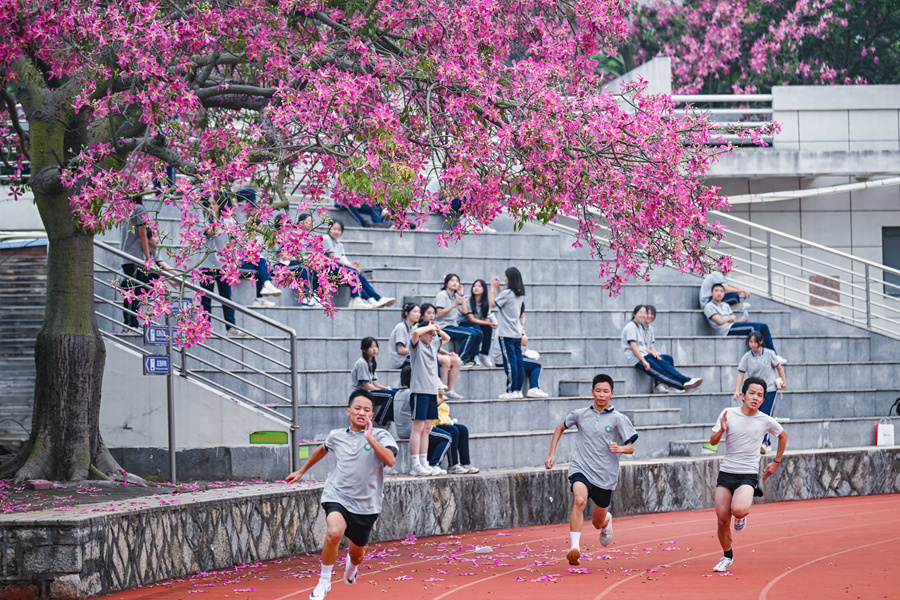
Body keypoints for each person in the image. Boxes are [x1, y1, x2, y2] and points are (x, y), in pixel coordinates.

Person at [285, 389, 398, 600]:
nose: (361, 412)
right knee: (335, 532)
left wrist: (370, 438)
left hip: (366, 505)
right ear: (348, 411)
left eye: (367, 409)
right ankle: (324, 581)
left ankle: (351, 567)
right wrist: (301, 471)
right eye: (357, 408)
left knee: (357, 555)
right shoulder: (336, 436)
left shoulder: (382, 435)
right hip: (337, 495)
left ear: (372, 415)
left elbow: (390, 461)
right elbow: (322, 449)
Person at [545, 374, 637, 566]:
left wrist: (619, 448)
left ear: (612, 394)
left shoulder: (619, 419)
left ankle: (606, 521)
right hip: (582, 467)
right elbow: (559, 429)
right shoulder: (580, 414)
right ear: (592, 392)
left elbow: (631, 447)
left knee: (597, 522)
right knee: (579, 500)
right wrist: (552, 454)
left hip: (605, 476)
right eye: (598, 391)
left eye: (605, 392)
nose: (601, 395)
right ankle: (575, 548)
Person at [709, 377, 788, 573]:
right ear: (743, 396)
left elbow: (783, 435)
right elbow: (712, 441)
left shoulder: (765, 420)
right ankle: (727, 556)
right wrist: (722, 431)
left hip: (747, 474)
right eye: (752, 393)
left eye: (760, 395)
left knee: (739, 510)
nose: (755, 397)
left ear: (763, 400)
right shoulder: (728, 414)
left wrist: (776, 462)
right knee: (721, 520)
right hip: (727, 472)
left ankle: (742, 514)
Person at [624, 305, 702, 393]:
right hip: (637, 358)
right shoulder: (631, 327)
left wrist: (653, 353)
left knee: (665, 361)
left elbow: (644, 347)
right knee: (661, 373)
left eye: (645, 313)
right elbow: (633, 347)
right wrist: (644, 361)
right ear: (634, 314)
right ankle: (683, 386)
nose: (644, 315)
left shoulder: (639, 327)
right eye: (641, 313)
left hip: (644, 355)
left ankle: (687, 380)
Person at [733, 331, 787, 453]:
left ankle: (765, 442)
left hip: (770, 390)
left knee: (765, 416)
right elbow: (741, 373)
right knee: (753, 416)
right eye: (750, 342)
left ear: (760, 342)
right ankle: (759, 442)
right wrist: (737, 390)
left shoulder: (769, 354)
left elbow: (779, 367)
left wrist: (784, 381)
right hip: (754, 392)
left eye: (754, 342)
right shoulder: (746, 357)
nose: (752, 344)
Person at [408, 314, 449, 476]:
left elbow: (446, 337)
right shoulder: (416, 346)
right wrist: (429, 327)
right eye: (430, 333)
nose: (433, 336)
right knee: (417, 428)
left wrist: (436, 328)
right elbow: (416, 334)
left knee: (427, 428)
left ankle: (424, 462)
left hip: (432, 391)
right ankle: (415, 463)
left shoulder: (433, 345)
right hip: (420, 390)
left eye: (433, 334)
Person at [394, 365, 453, 476]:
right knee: (447, 437)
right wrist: (440, 396)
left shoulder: (398, 393)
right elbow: (434, 403)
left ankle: (425, 462)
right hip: (411, 430)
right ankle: (433, 464)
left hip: (400, 431)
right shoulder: (413, 394)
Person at [322, 220, 395, 309]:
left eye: (339, 230)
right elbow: (333, 258)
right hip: (328, 270)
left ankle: (375, 299)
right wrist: (351, 267)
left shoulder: (339, 245)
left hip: (338, 269)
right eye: (334, 229)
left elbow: (343, 259)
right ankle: (358, 299)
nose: (337, 232)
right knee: (353, 272)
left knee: (360, 276)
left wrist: (352, 265)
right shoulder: (326, 238)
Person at [197, 198, 242, 337]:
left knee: (226, 297)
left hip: (223, 265)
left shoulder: (229, 221)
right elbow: (211, 232)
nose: (211, 206)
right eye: (210, 204)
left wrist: (234, 261)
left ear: (221, 205)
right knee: (206, 299)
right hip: (206, 265)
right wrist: (212, 217)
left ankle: (231, 327)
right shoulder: (206, 220)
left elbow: (233, 241)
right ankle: (205, 328)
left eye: (214, 204)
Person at [705, 283, 784, 359]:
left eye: (721, 291)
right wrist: (730, 319)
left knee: (763, 326)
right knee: (755, 327)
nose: (719, 293)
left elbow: (734, 319)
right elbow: (719, 321)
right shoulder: (709, 306)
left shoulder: (725, 305)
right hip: (725, 330)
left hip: (732, 326)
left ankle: (773, 355)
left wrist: (740, 320)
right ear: (712, 293)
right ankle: (756, 354)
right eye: (716, 291)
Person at [434, 273, 483, 368]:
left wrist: (462, 296)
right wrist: (454, 304)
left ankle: (470, 358)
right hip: (443, 326)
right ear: (446, 283)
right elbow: (439, 313)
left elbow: (464, 311)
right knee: (470, 334)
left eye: (457, 281)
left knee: (479, 333)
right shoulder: (442, 295)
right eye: (452, 281)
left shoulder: (456, 296)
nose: (455, 283)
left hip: (454, 325)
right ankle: (460, 359)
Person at [491, 267, 526, 399]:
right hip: (516, 332)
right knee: (518, 362)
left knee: (510, 363)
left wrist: (492, 288)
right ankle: (518, 390)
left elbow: (493, 304)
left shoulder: (507, 294)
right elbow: (504, 302)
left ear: (509, 278)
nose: (504, 279)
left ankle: (511, 390)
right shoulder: (518, 293)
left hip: (506, 333)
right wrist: (500, 288)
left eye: (505, 277)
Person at [120, 195, 152, 330]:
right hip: (134, 256)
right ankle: (131, 323)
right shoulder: (139, 209)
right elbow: (142, 234)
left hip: (127, 255)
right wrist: (148, 258)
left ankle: (131, 322)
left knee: (131, 289)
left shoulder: (126, 209)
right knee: (134, 290)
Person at [350, 338, 397, 426]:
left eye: (376, 347)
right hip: (361, 394)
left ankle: (390, 418)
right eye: (371, 347)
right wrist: (380, 390)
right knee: (391, 396)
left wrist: (385, 388)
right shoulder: (362, 363)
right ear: (364, 349)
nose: (375, 349)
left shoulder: (371, 363)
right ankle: (379, 421)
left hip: (369, 391)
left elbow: (374, 383)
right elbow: (366, 385)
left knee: (396, 392)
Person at [428, 394, 479, 474]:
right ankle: (453, 465)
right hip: (431, 424)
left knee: (463, 429)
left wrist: (440, 397)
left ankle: (465, 463)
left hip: (440, 420)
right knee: (453, 430)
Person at [420, 303, 462, 398]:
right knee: (445, 360)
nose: (431, 315)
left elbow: (436, 344)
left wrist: (448, 353)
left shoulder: (434, 327)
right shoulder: (419, 328)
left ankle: (449, 390)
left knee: (456, 360)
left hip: (432, 352)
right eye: (428, 313)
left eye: (433, 313)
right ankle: (439, 389)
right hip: (422, 355)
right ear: (422, 315)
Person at [463, 279, 497, 368]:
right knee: (477, 327)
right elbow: (471, 319)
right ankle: (475, 355)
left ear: (484, 289)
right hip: (465, 323)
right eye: (474, 286)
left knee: (487, 328)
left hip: (476, 323)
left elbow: (483, 319)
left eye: (479, 286)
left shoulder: (485, 303)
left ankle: (484, 354)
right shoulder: (468, 301)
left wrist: (491, 322)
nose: (476, 288)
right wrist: (487, 323)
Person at [520, 310, 549, 397]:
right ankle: (534, 388)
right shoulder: (512, 322)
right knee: (537, 365)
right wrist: (522, 326)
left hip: (510, 355)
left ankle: (534, 388)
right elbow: (524, 342)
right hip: (508, 358)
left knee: (532, 361)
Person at [388, 303, 421, 369]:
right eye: (415, 312)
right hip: (400, 361)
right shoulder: (401, 327)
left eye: (419, 312)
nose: (418, 314)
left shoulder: (413, 328)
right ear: (407, 313)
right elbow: (401, 350)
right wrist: (418, 350)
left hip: (407, 357)